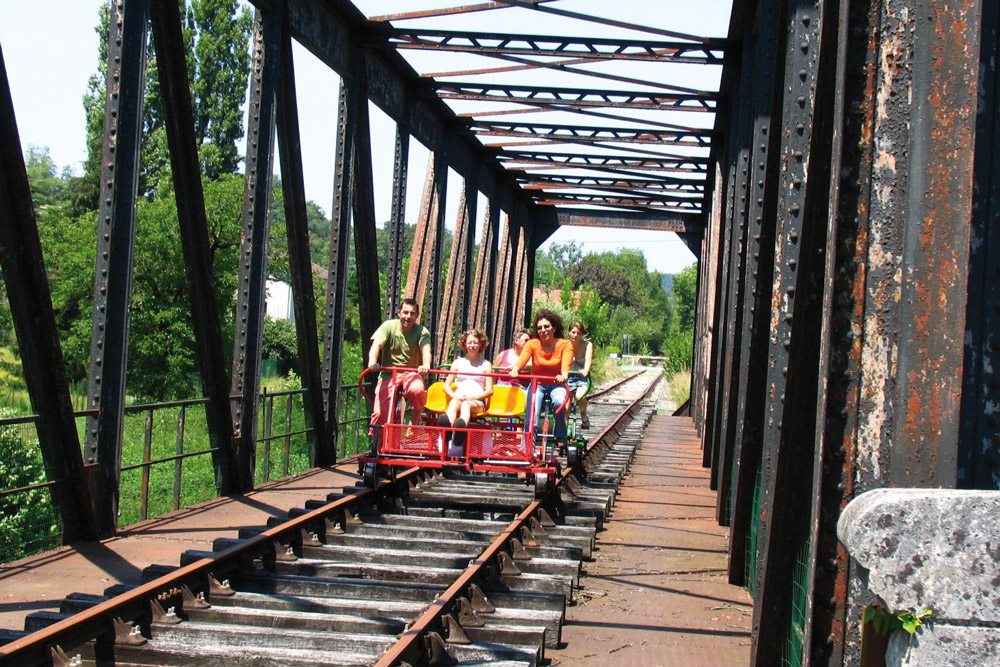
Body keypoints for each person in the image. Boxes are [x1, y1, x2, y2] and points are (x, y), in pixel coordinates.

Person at [508, 309, 573, 447]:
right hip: (538, 383)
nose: (543, 330)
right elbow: (523, 358)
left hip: (557, 383)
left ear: (554, 328)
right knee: (533, 415)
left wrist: (564, 375)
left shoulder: (564, 344)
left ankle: (560, 434)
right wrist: (516, 368)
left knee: (559, 402)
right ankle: (527, 449)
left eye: (546, 326)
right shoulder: (533, 344)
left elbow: (566, 362)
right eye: (539, 328)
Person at [367, 298, 432, 428]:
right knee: (380, 414)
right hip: (389, 373)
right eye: (405, 312)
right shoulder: (389, 326)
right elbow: (377, 344)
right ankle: (379, 444)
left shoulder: (422, 331)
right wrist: (372, 362)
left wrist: (426, 365)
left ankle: (415, 421)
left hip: (412, 373)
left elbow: (426, 349)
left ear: (417, 315)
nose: (408, 316)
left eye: (412, 313)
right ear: (399, 313)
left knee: (418, 391)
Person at [439, 330, 494, 447]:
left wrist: (474, 397)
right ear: (465, 344)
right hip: (459, 396)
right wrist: (455, 396)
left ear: (480, 344)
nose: (472, 346)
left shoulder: (486, 364)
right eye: (469, 343)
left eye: (475, 343)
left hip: (476, 401)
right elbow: (446, 386)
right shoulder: (458, 363)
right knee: (454, 403)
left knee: (466, 405)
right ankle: (447, 430)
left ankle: (460, 431)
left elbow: (490, 390)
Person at [567, 320, 594, 429]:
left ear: (582, 334)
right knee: (566, 405)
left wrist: (586, 370)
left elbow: (588, 359)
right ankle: (563, 429)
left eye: (578, 333)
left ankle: (584, 415)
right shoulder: (565, 344)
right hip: (568, 376)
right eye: (573, 332)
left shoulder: (587, 345)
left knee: (579, 396)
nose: (575, 335)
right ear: (569, 333)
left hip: (582, 377)